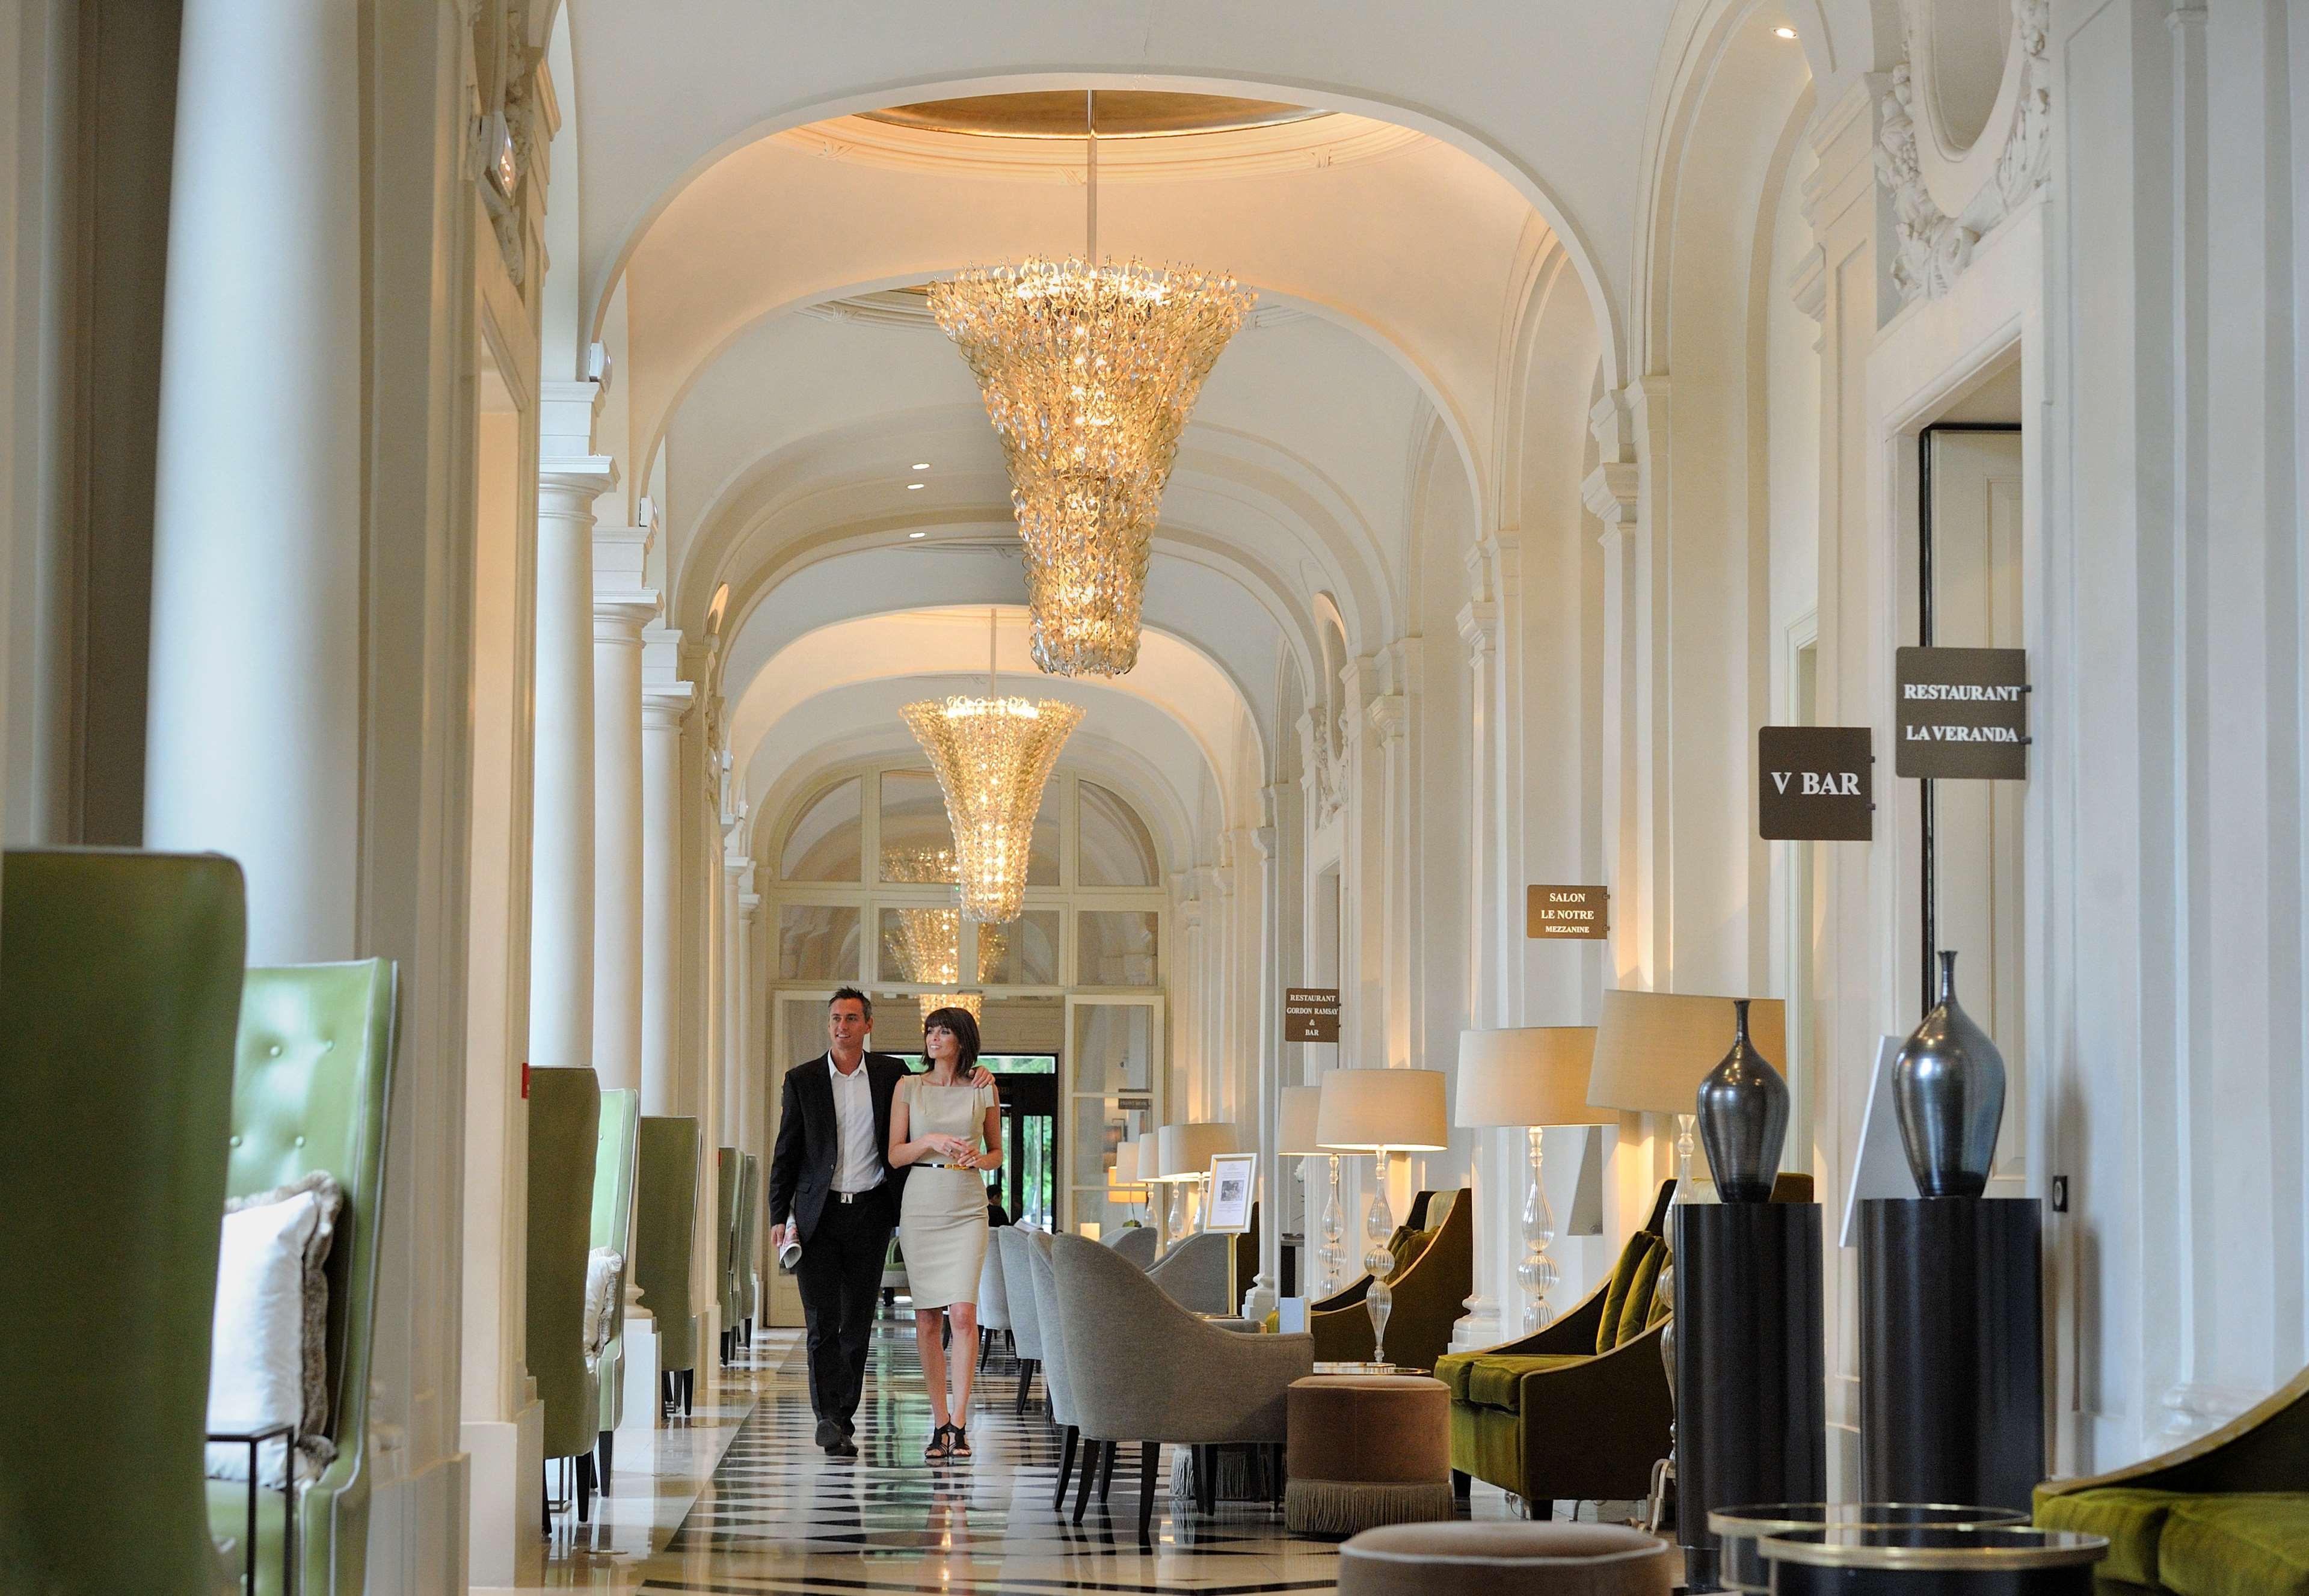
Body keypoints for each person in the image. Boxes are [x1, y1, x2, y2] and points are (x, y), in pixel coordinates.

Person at [767, 988, 990, 1457]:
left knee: (857, 1324)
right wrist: (776, 1215)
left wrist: (980, 1072)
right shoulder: (802, 1080)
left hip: (870, 1213)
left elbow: (947, 1088)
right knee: (820, 1323)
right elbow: (785, 1154)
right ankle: (829, 1417)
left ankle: (844, 1417)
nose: (841, 1027)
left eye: (851, 1019)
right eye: (834, 1019)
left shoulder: (893, 1075)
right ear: (828, 1025)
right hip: (817, 1216)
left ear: (868, 1026)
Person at [888, 1005, 1003, 1462]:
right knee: (927, 1318)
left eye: (944, 1032)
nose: (934, 1039)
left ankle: (960, 1420)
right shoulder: (908, 1087)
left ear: (962, 1040)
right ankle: (938, 1424)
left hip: (966, 1204)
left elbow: (997, 1154)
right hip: (922, 1203)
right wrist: (931, 1140)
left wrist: (982, 1160)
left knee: (962, 1313)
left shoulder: (983, 1087)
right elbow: (896, 1155)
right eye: (930, 1032)